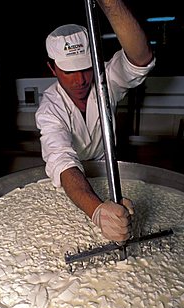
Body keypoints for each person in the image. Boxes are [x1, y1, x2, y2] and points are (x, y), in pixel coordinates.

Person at [35, 0, 155, 242]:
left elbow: (139, 59)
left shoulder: (106, 81)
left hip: (105, 166)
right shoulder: (50, 108)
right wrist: (97, 211)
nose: (80, 80)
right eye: (69, 71)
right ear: (52, 68)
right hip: (73, 181)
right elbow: (63, 161)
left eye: (86, 68)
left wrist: (110, 4)